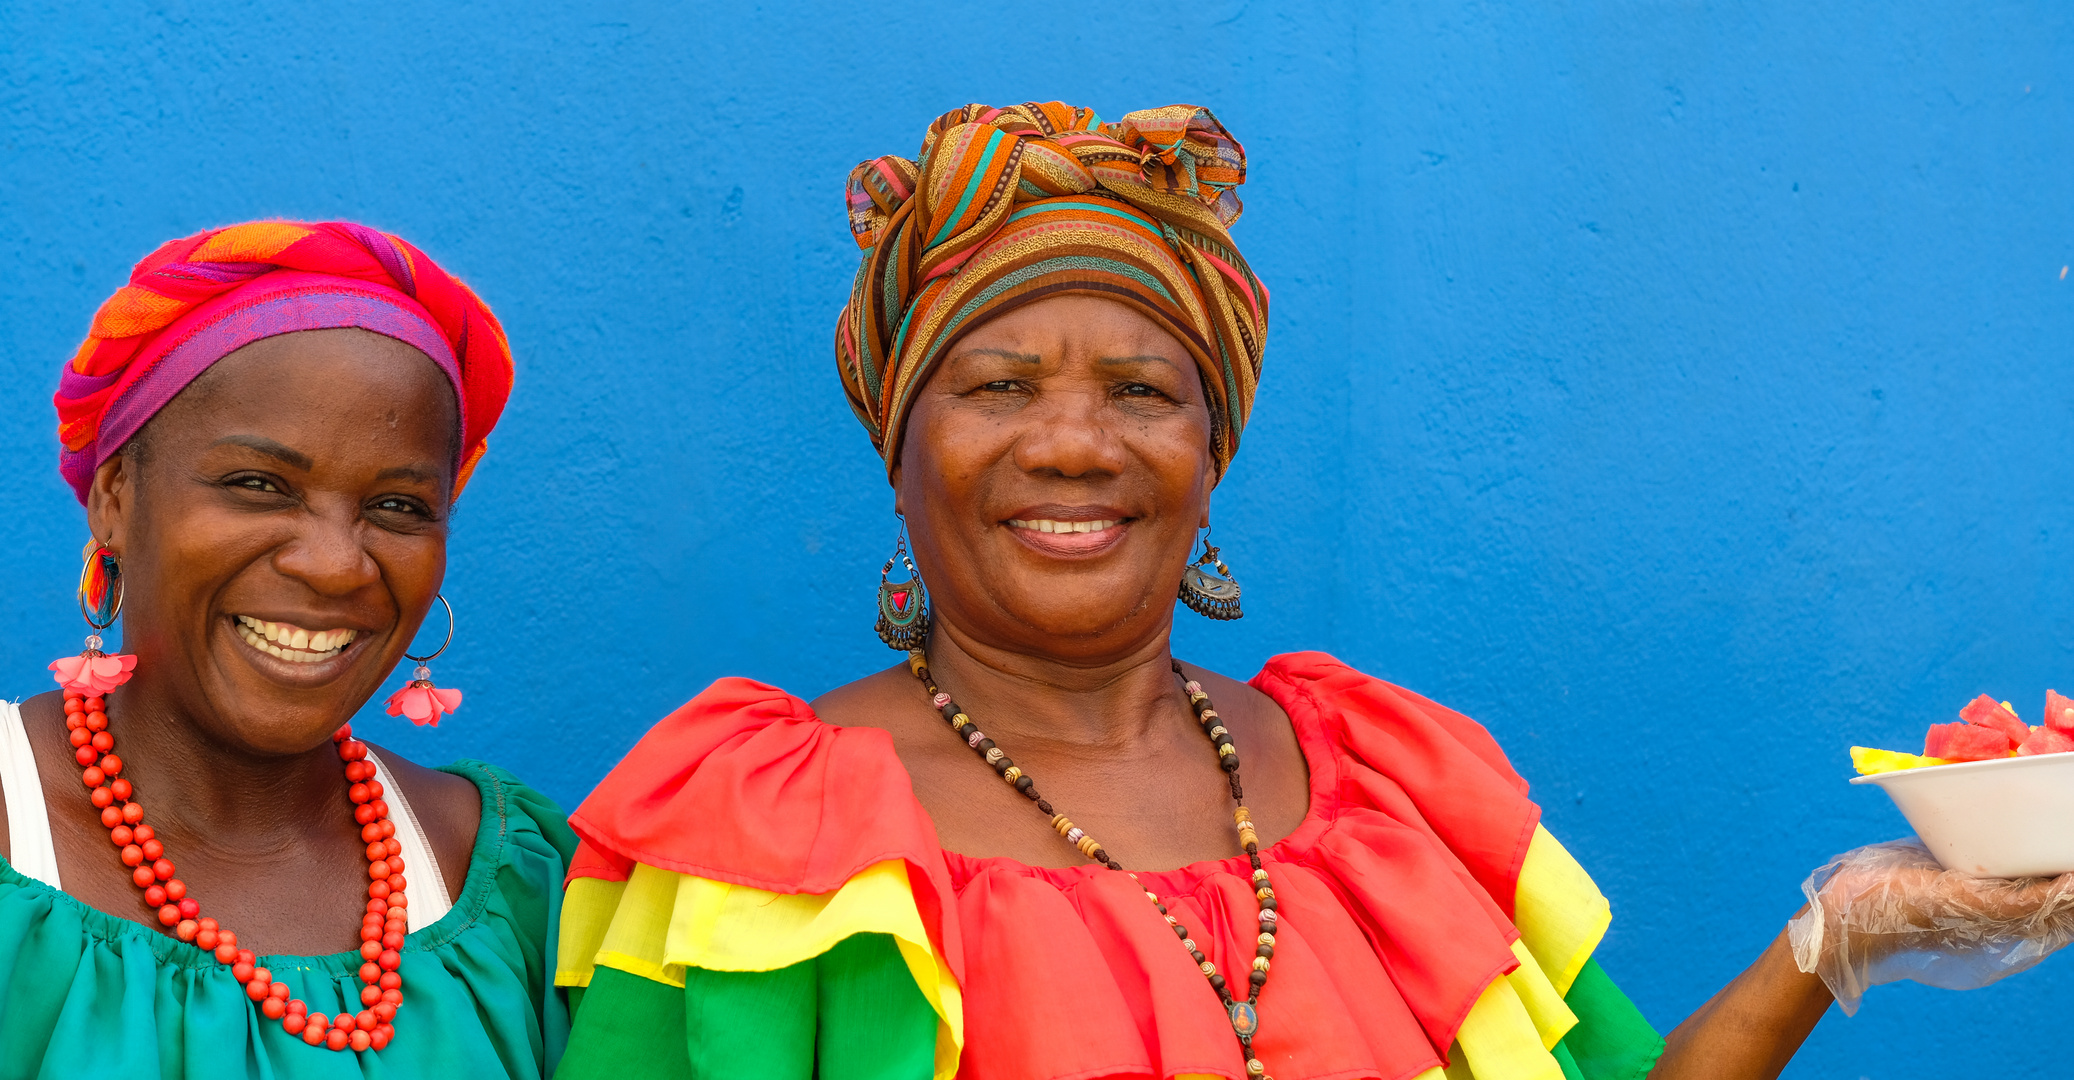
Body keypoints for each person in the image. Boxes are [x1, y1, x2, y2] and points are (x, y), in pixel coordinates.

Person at [554, 102, 2063, 1080]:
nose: (1071, 443)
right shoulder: (771, 834)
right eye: (997, 384)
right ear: (903, 453)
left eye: (1143, 391)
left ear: (1211, 453)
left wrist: (1837, 938)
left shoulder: (1387, 787)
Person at [0, 221, 576, 1076]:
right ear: (115, 495)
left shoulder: (499, 883)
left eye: (398, 507)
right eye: (258, 485)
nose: (337, 565)